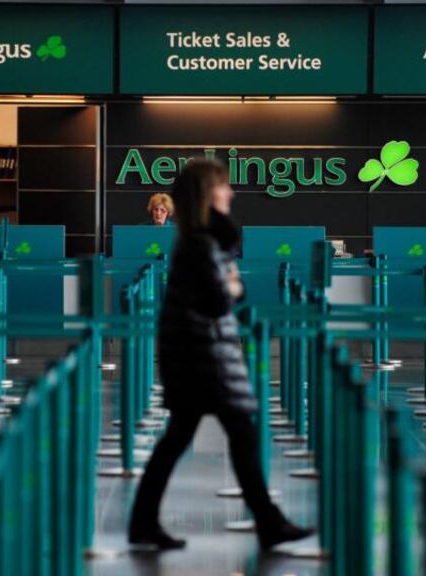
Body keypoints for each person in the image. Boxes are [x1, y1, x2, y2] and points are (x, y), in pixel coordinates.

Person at [128, 159, 314, 551]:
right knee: (226, 436)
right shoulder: (201, 243)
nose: (230, 193)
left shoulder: (201, 240)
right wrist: (232, 287)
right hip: (204, 359)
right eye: (223, 187)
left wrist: (230, 286)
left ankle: (147, 522)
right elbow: (217, 299)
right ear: (207, 195)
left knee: (188, 438)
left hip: (200, 356)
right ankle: (268, 523)